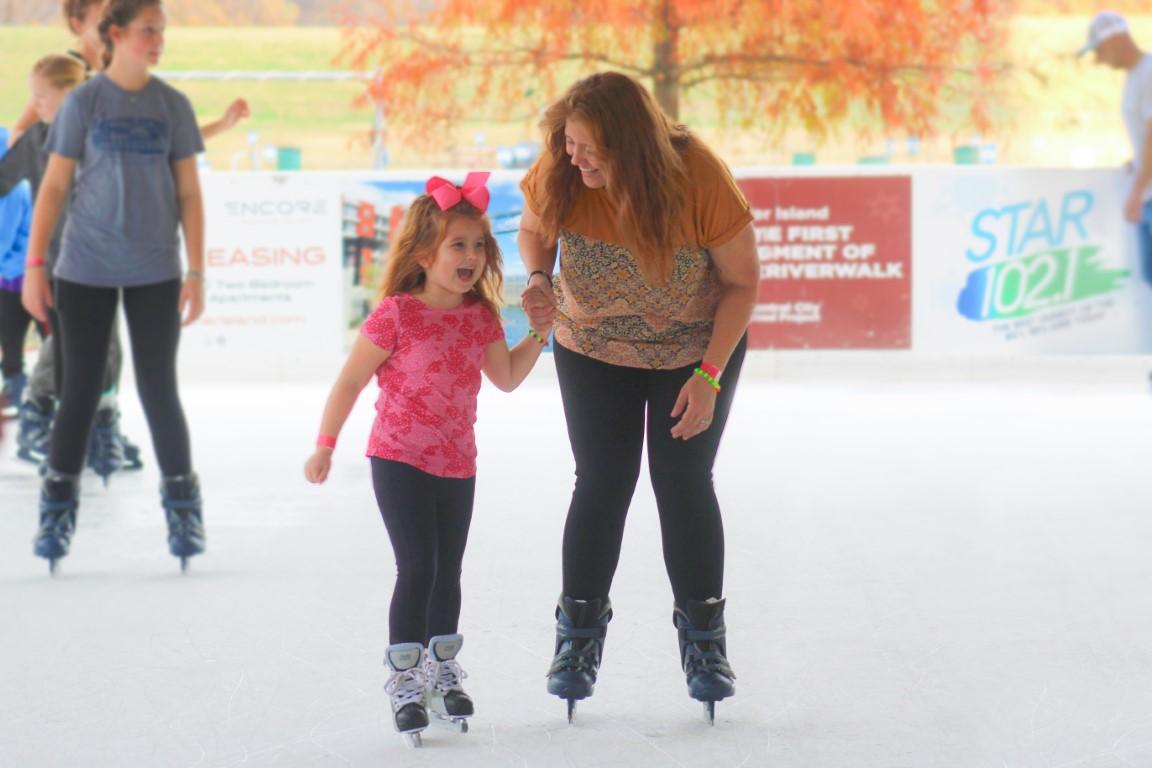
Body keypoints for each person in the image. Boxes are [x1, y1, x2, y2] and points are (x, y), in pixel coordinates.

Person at [517, 72, 759, 723]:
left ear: (630, 144)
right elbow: (534, 229)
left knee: (682, 480)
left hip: (692, 352)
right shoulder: (563, 170)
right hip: (593, 346)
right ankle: (577, 641)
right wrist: (539, 277)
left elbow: (742, 283)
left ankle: (705, 646)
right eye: (569, 143)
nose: (575, 157)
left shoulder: (698, 177)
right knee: (601, 481)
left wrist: (709, 376)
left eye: (589, 147)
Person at [303, 173, 552, 745]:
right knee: (417, 566)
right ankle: (406, 679)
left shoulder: (481, 317)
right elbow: (348, 382)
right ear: (424, 253)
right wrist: (325, 444)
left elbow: (507, 378)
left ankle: (442, 671)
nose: (470, 256)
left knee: (449, 572)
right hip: (398, 459)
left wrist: (540, 334)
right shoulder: (396, 314)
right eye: (456, 244)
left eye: (478, 245)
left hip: (458, 464)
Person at [22, 0, 207, 574]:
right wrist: (34, 266)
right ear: (117, 35)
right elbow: (52, 188)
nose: (158, 40)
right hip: (84, 268)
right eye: (149, 31)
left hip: (155, 269)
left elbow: (189, 195)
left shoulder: (172, 105)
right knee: (78, 391)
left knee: (157, 391)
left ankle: (183, 506)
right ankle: (57, 509)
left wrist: (196, 270)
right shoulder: (83, 102)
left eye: (162, 32)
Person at [1080, 12, 1152, 285]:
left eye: (1099, 50)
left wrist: (1135, 191)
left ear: (1117, 40)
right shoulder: (1136, 76)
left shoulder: (1149, 73)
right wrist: (1138, 164)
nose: (1099, 60)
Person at [0, 137, 36, 418]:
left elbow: (3, 238)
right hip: (15, 276)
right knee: (10, 337)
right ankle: (15, 386)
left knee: (14, 335)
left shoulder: (10, 188)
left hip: (22, 278)